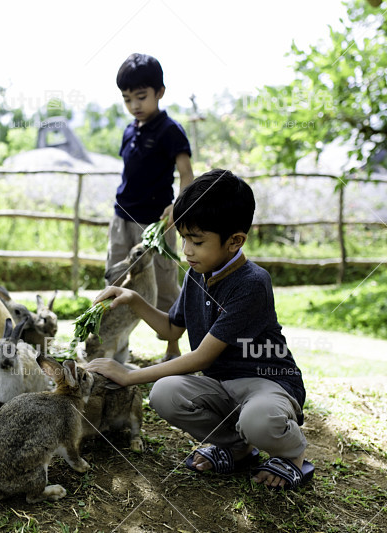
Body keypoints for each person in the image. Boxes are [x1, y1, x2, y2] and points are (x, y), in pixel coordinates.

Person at [87, 169, 314, 490]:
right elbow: (170, 330)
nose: (186, 251)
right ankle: (237, 448)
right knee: (165, 394)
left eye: (197, 241)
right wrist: (134, 300)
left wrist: (127, 374)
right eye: (183, 239)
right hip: (223, 387)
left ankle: (294, 456)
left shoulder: (252, 282)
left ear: (235, 241)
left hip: (267, 384)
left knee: (258, 420)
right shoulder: (198, 275)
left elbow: (202, 357)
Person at [109, 53, 194, 361]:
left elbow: (186, 173)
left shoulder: (170, 130)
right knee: (116, 277)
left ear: (160, 92)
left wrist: (177, 207)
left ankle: (173, 347)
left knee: (164, 283)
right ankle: (116, 348)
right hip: (121, 218)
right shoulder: (130, 131)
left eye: (141, 97)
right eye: (127, 99)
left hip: (156, 224)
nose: (135, 105)